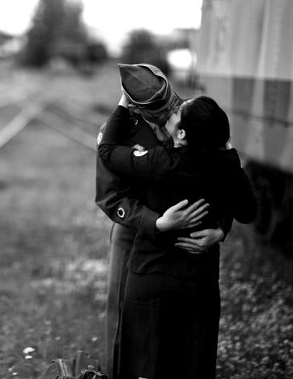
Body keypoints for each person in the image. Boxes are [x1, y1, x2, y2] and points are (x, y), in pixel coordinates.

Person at [97, 94, 257, 379]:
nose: (173, 107)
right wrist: (228, 152)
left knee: (152, 358)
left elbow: (107, 150)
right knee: (182, 358)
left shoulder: (165, 155)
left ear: (182, 133)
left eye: (174, 104)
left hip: (155, 269)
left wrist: (220, 230)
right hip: (186, 270)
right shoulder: (218, 156)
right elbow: (246, 208)